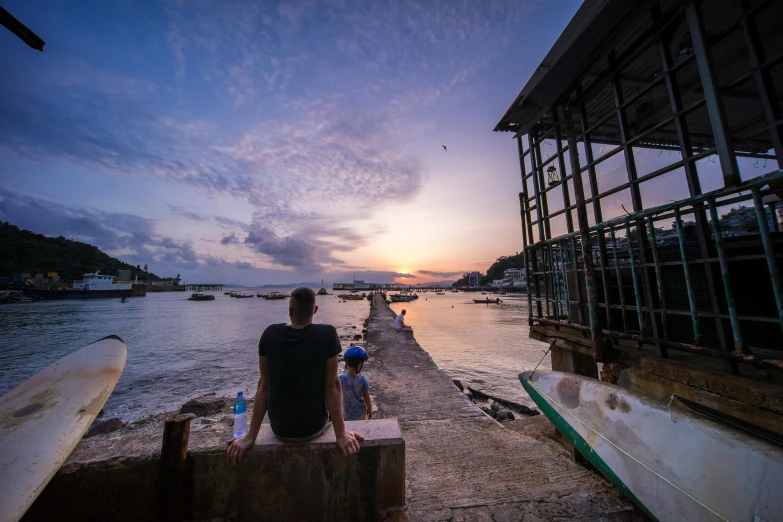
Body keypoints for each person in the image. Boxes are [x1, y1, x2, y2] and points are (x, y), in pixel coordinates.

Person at [226, 287, 364, 464]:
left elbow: (264, 386)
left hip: (280, 430)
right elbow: (332, 385)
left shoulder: (269, 334)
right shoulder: (327, 334)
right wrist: (341, 434)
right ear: (315, 310)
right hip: (314, 428)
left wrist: (250, 436)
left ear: (290, 310)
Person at [340, 346, 372, 421]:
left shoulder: (341, 379)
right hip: (361, 413)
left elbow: (338, 397)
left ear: (346, 364)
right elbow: (366, 397)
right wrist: (369, 409)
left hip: (347, 414)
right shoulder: (362, 379)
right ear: (359, 364)